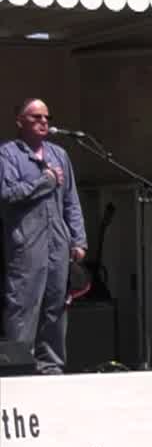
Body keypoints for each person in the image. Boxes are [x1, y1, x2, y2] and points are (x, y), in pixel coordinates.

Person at [2, 98, 88, 374]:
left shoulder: (58, 155)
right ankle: (19, 367)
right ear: (20, 122)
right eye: (36, 117)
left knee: (55, 306)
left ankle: (51, 367)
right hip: (26, 243)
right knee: (24, 306)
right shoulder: (8, 155)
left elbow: (71, 201)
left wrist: (78, 239)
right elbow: (7, 194)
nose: (43, 122)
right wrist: (44, 182)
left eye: (46, 117)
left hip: (58, 243)